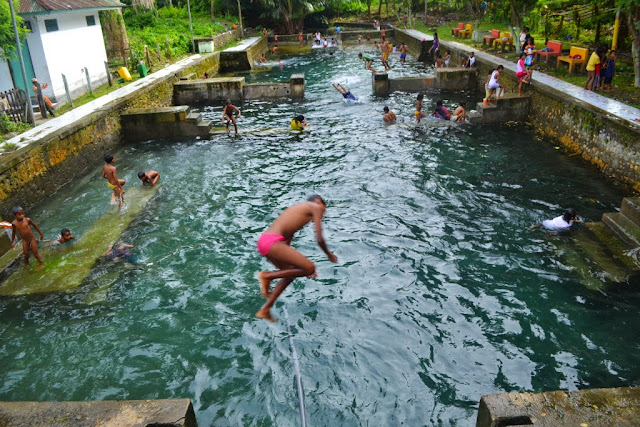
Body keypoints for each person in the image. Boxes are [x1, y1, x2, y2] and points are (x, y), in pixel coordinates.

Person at [255, 195, 338, 322]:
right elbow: (319, 239)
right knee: (310, 268)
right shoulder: (315, 206)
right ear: (319, 201)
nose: (322, 214)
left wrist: (302, 270)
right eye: (324, 210)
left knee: (291, 274)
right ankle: (267, 276)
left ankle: (265, 309)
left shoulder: (297, 210)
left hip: (265, 242)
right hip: (272, 243)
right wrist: (329, 254)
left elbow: (287, 239)